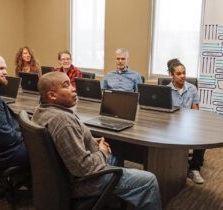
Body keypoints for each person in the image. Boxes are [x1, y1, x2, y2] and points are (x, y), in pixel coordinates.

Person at [32, 72, 161, 210]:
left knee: (117, 149)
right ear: (52, 95)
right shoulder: (63, 121)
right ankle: (129, 189)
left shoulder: (40, 111)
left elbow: (64, 141)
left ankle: (118, 196)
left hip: (60, 176)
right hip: (82, 182)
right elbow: (83, 168)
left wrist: (90, 140)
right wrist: (103, 152)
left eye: (71, 83)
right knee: (148, 180)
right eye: (66, 85)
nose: (73, 88)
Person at [167, 58, 205, 184]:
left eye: (184, 73)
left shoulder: (192, 88)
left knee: (202, 138)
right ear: (171, 75)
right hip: (171, 125)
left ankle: (194, 169)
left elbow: (195, 111)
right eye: (178, 74)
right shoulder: (166, 90)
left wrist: (195, 126)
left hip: (188, 125)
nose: (182, 76)